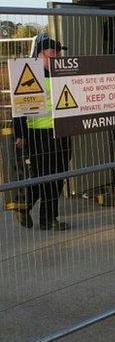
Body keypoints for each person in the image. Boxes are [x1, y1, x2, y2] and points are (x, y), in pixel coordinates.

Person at [8, 37, 72, 230]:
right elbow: (19, 106)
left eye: (59, 53)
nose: (57, 56)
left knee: (59, 174)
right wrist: (20, 134)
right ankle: (40, 214)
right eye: (53, 53)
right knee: (44, 175)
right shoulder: (30, 74)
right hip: (39, 133)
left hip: (63, 130)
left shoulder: (63, 72)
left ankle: (37, 214)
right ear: (40, 54)